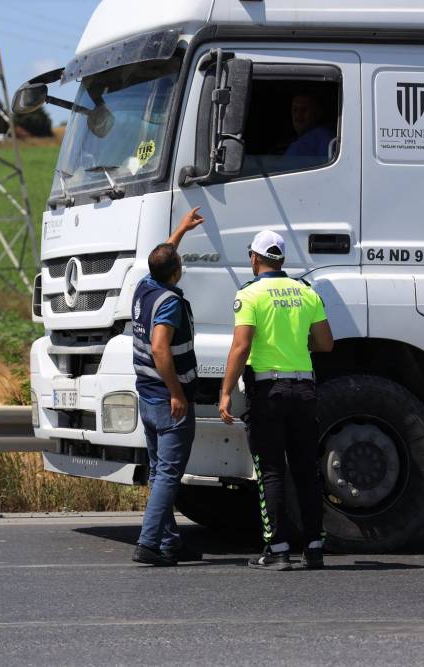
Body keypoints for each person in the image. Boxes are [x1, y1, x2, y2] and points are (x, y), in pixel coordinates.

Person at [219, 230, 334, 571]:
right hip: (305, 390)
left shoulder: (250, 294)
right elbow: (326, 343)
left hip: (269, 391)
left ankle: (279, 549)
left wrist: (225, 391)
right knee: (306, 471)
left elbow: (241, 347)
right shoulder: (306, 291)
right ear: (281, 260)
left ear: (254, 258)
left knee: (271, 471)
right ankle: (314, 548)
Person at [130, 206, 206, 567]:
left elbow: (161, 256)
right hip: (167, 398)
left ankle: (168, 543)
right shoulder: (169, 302)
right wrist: (177, 392)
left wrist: (180, 231)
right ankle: (147, 544)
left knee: (160, 469)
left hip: (147, 396)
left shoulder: (145, 286)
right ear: (175, 272)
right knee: (168, 474)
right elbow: (161, 348)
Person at [283, 91, 335, 163]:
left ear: (317, 113)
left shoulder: (323, 137)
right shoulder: (295, 140)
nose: (298, 115)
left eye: (304, 110)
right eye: (295, 110)